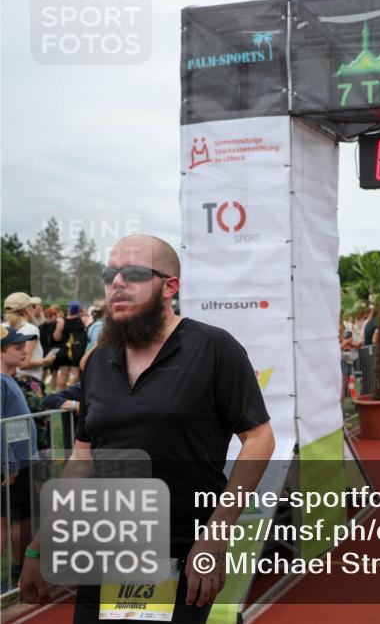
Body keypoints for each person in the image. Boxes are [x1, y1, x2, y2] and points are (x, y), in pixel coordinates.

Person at [19, 234, 276, 623]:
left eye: (134, 273)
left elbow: (260, 439)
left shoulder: (214, 348)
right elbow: (82, 459)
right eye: (110, 274)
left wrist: (216, 535)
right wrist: (40, 546)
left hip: (182, 559)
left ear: (170, 286)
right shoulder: (98, 361)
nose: (117, 283)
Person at [1, 326, 40, 588]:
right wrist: (9, 464)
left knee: (18, 517)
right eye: (17, 348)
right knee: (5, 520)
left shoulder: (8, 378)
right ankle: (16, 569)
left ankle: (17, 569)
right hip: (14, 464)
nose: (24, 351)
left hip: (20, 461)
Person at [3, 293, 56, 447]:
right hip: (29, 382)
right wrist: (46, 360)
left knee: (15, 430)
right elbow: (24, 363)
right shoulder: (30, 329)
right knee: (39, 429)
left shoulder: (3, 328)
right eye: (32, 306)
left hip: (10, 381)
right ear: (26, 309)